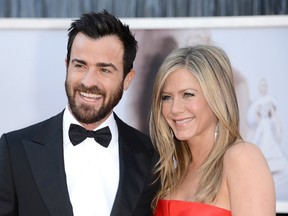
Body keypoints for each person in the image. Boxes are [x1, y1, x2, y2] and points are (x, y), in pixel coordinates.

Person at [0, 10, 159, 216]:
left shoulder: (150, 156)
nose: (88, 81)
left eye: (105, 69)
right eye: (80, 65)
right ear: (67, 66)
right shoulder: (14, 151)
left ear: (127, 78)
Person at [149, 44, 275, 215]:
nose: (175, 109)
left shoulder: (242, 157)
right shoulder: (171, 170)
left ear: (217, 97)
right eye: (167, 97)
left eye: (188, 94)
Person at [247, 78, 288, 200]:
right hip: (262, 129)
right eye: (261, 86)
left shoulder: (270, 101)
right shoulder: (256, 103)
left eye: (264, 86)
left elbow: (274, 117)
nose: (262, 88)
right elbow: (255, 121)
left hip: (268, 129)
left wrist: (279, 126)